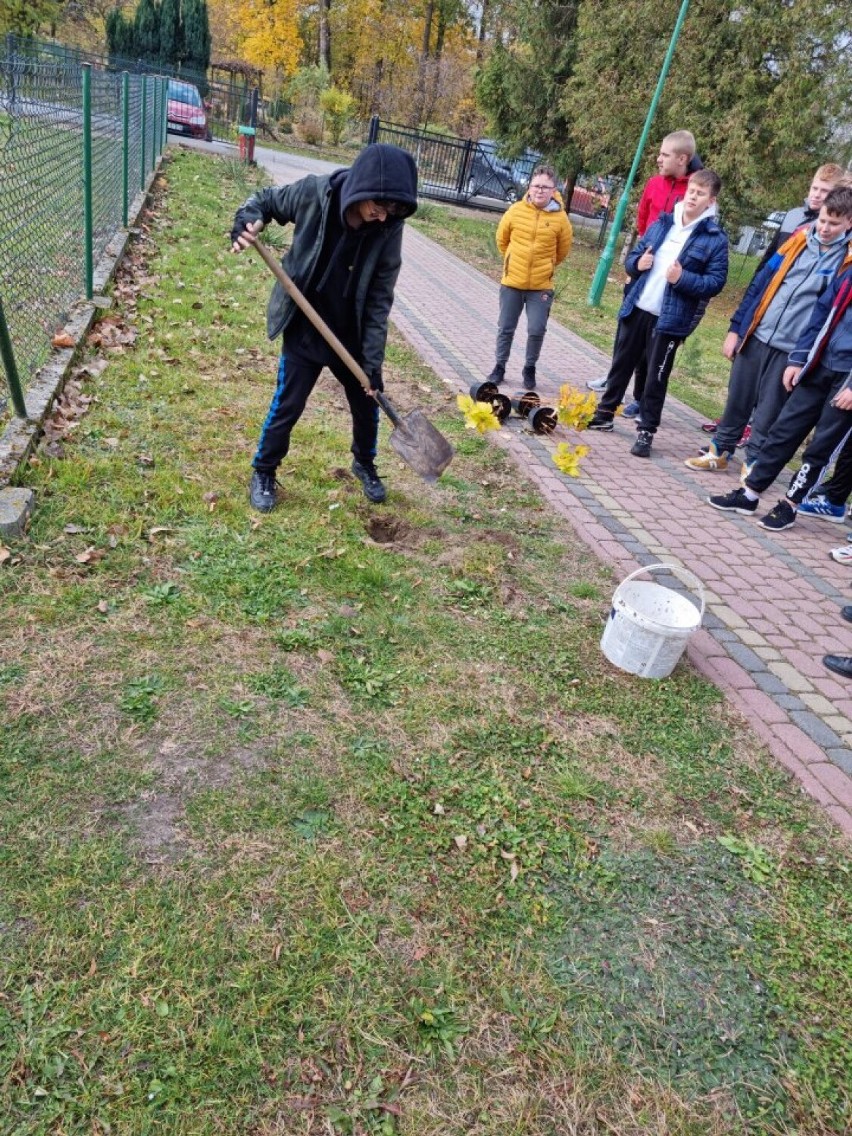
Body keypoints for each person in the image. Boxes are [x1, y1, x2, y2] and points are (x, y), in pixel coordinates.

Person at [230, 143, 418, 512]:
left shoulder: (388, 229)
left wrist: (372, 362)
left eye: (392, 211)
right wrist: (247, 217)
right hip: (306, 323)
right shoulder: (315, 193)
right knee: (289, 403)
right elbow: (266, 201)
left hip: (351, 333)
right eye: (378, 207)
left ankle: (364, 463)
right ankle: (264, 470)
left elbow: (380, 298)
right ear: (362, 190)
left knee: (368, 405)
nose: (382, 217)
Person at [684, 186, 852, 476]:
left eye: (834, 224)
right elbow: (760, 284)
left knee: (768, 412)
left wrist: (803, 356)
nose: (824, 228)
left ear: (849, 223)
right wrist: (737, 328)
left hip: (791, 350)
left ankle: (754, 464)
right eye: (823, 220)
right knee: (737, 399)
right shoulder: (796, 240)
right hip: (758, 333)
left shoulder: (846, 260)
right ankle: (719, 450)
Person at [586, 169, 729, 458]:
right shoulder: (664, 222)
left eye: (700, 193)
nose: (693, 196)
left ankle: (646, 431)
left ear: (710, 201)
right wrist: (637, 264)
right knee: (621, 365)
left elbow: (715, 283)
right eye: (691, 190)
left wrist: (682, 278)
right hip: (638, 307)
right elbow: (633, 258)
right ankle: (604, 414)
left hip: (669, 320)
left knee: (655, 378)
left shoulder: (715, 239)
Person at [707, 264, 852, 530]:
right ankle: (749, 494)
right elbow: (820, 316)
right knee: (783, 431)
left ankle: (789, 505)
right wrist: (798, 359)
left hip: (846, 381)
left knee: (821, 447)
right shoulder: (848, 272)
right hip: (818, 367)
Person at [588, 130, 701, 411]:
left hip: (670, 280)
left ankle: (640, 398)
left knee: (653, 343)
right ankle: (613, 387)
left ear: (682, 158)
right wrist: (639, 263)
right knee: (628, 334)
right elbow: (642, 224)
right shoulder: (654, 184)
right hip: (643, 270)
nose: (658, 159)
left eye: (664, 154)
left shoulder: (695, 190)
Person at [486, 165, 573, 391]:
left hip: (541, 286)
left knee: (536, 329)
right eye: (536, 186)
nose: (540, 191)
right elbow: (502, 240)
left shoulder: (561, 219)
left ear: (554, 191)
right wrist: (512, 260)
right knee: (506, 327)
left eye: (545, 187)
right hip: (512, 282)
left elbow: (563, 250)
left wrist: (547, 266)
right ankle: (499, 366)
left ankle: (529, 368)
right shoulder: (515, 210)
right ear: (529, 187)